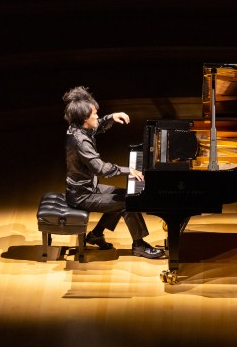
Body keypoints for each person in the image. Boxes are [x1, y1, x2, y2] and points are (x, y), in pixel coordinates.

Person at [63, 86, 164, 259]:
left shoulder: (78, 128)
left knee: (123, 195)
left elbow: (97, 126)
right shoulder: (80, 142)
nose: (97, 116)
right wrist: (129, 170)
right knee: (128, 203)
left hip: (87, 188)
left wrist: (111, 117)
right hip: (82, 195)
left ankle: (96, 235)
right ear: (84, 119)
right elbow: (100, 168)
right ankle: (139, 245)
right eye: (94, 114)